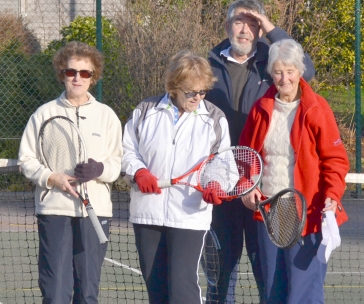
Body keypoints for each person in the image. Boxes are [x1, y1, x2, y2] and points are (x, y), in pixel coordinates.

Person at [204, 0, 316, 301]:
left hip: (262, 189)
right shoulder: (208, 63)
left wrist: (270, 28)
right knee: (220, 273)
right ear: (228, 27)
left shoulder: (273, 60)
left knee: (268, 274)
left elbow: (308, 71)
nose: (245, 29)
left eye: (252, 23)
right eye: (239, 22)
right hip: (223, 183)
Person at [239, 39, 349, 303]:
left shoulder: (316, 108)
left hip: (307, 211)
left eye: (289, 71)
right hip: (269, 210)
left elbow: (335, 160)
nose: (284, 78)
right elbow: (245, 157)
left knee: (304, 293)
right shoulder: (260, 109)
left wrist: (332, 195)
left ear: (300, 72)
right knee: (272, 291)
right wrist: (247, 186)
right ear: (271, 74)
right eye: (278, 71)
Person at [17, 41, 122, 303]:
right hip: (54, 210)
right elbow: (26, 160)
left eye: (84, 73)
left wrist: (99, 169)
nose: (77, 78)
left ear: (93, 77)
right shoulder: (43, 114)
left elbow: (117, 164)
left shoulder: (107, 116)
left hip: (95, 211)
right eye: (71, 72)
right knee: (55, 291)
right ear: (62, 74)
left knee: (87, 291)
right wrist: (52, 177)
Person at [122, 50, 229, 303]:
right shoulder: (144, 110)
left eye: (202, 92)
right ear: (174, 86)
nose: (197, 98)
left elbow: (223, 161)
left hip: (190, 216)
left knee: (182, 289)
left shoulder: (214, 118)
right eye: (190, 92)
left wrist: (215, 182)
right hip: (147, 213)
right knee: (156, 288)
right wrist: (139, 172)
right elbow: (127, 150)